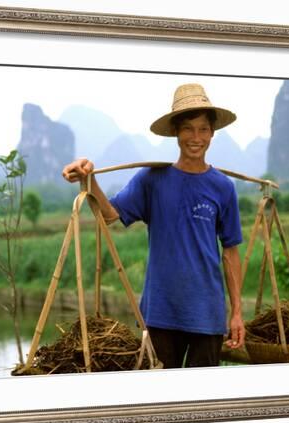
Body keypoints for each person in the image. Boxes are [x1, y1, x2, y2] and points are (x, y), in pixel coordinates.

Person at [62, 83, 245, 369]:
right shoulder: (152, 179)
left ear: (212, 133)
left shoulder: (223, 188)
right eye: (187, 129)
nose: (195, 138)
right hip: (161, 314)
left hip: (207, 315)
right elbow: (111, 215)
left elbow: (231, 252)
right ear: (175, 132)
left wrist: (236, 313)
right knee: (161, 398)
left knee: (203, 402)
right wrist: (89, 179)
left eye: (203, 129)